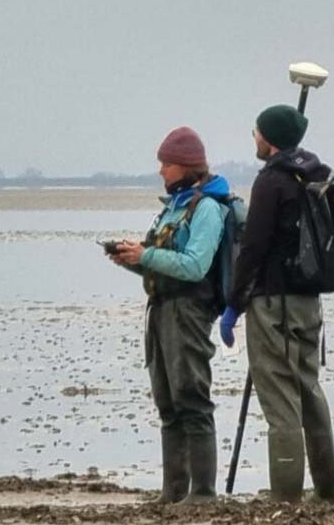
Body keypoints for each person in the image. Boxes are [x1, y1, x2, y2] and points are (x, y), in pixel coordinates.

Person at [220, 104, 334, 503]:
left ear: (268, 139)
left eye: (256, 132)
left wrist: (234, 303)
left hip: (274, 303)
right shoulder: (314, 177)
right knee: (309, 391)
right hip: (310, 302)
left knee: (280, 401)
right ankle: (326, 492)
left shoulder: (272, 183)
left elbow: (252, 247)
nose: (253, 137)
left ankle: (285, 497)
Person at [108, 126, 231, 503]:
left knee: (191, 396)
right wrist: (130, 258)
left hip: (189, 311)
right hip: (160, 309)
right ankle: (173, 490)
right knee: (166, 400)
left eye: (167, 164)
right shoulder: (172, 207)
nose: (161, 170)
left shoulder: (208, 208)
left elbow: (195, 266)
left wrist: (144, 256)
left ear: (186, 166)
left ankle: (204, 491)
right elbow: (162, 262)